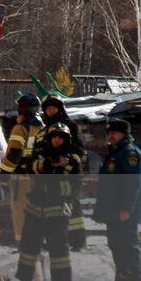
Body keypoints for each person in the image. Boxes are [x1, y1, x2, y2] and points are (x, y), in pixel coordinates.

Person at [15, 123, 81, 281]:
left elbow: (75, 186)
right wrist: (51, 165)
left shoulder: (73, 160)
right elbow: (31, 168)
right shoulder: (40, 156)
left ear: (66, 140)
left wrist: (52, 187)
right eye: (54, 137)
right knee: (28, 249)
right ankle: (24, 280)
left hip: (58, 215)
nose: (57, 140)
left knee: (59, 253)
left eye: (61, 137)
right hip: (34, 212)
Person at [95, 118, 141, 281]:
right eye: (109, 133)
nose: (111, 136)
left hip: (124, 211)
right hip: (113, 209)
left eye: (115, 133)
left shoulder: (130, 153)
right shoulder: (114, 153)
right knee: (116, 245)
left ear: (124, 134)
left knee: (129, 246)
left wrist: (126, 208)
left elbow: (133, 184)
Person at [40, 94, 88, 250]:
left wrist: (69, 162)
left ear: (60, 108)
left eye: (53, 108)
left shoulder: (71, 126)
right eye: (48, 108)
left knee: (72, 207)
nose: (50, 111)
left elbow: (80, 150)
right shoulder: (44, 128)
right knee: (52, 208)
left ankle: (78, 241)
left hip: (68, 173)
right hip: (50, 172)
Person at [0, 93, 45, 243]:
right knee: (37, 210)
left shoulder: (20, 128)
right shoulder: (42, 127)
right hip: (38, 176)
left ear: (24, 109)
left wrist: (3, 174)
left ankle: (22, 243)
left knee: (20, 212)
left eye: (20, 106)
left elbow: (14, 153)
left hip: (21, 178)